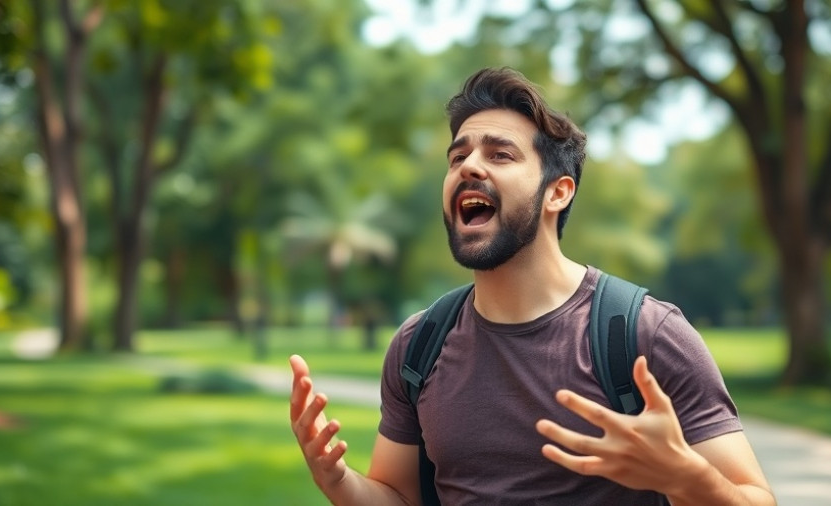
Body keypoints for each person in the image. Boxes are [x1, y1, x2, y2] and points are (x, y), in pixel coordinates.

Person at [289, 67, 775, 505]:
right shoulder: (419, 346)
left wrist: (687, 476)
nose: (468, 166)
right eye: (457, 156)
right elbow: (399, 496)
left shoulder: (647, 336)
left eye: (500, 154)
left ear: (557, 192)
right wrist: (339, 482)